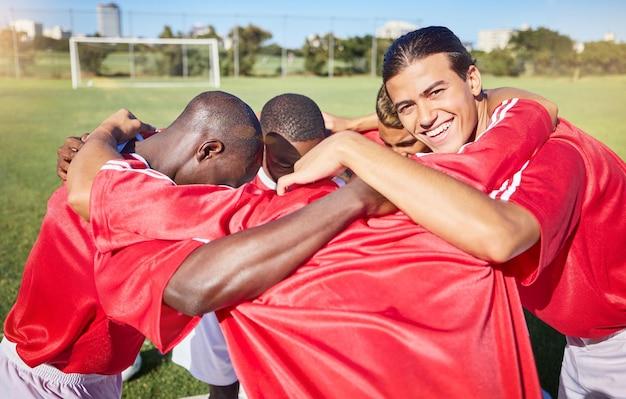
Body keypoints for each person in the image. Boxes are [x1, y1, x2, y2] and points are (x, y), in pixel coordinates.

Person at [65, 86, 559, 397]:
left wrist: (106, 134)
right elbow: (535, 106)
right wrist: (353, 150)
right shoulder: (417, 183)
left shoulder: (221, 217)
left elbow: (94, 194)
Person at [278, 26, 626, 399]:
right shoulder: (490, 131)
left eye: (436, 91)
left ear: (472, 79)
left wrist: (352, 148)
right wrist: (352, 128)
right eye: (407, 107)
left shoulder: (556, 151)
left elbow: (501, 236)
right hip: (585, 338)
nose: (425, 118)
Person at [0, 91, 266, 398]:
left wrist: (104, 135)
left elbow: (160, 135)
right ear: (209, 151)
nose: (222, 192)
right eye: (228, 183)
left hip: (94, 374)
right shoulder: (137, 196)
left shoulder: (121, 154)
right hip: (41, 380)